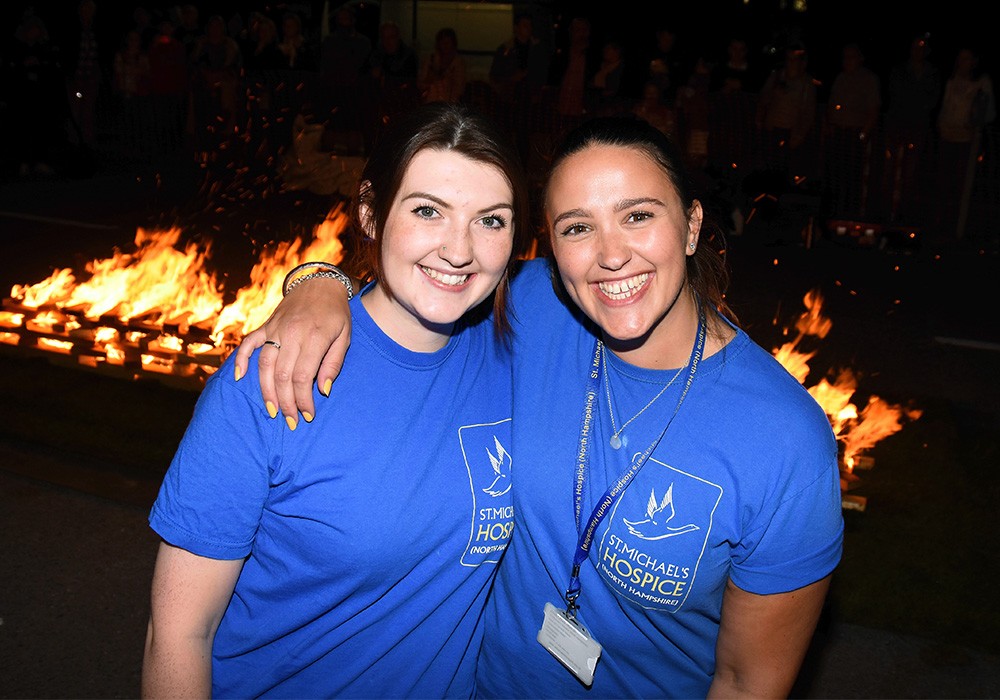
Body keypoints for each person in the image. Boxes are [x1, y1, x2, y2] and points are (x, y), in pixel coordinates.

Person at [233, 114, 845, 697]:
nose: (611, 255)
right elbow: (423, 274)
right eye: (577, 227)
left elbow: (749, 683)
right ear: (550, 247)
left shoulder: (783, 436)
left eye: (637, 216)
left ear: (690, 225)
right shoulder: (533, 310)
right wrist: (319, 283)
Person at [141, 101, 530, 698]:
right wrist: (318, 280)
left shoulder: (522, 343)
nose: (460, 250)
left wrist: (317, 278)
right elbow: (177, 636)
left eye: (491, 220)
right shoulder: (271, 377)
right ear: (371, 213)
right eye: (428, 211)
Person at [934, 45, 994, 241]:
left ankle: (959, 225)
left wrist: (974, 121)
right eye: (960, 59)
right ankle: (940, 223)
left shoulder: (980, 83)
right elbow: (945, 106)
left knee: (962, 184)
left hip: (966, 141)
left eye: (967, 59)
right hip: (947, 137)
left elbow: (987, 111)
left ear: (974, 61)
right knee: (943, 183)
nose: (962, 63)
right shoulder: (951, 81)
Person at [419, 26, 467, 104]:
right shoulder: (430, 60)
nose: (445, 45)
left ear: (453, 43)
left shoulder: (458, 63)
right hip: (430, 103)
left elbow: (459, 89)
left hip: (449, 105)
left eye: (448, 42)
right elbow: (421, 84)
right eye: (442, 42)